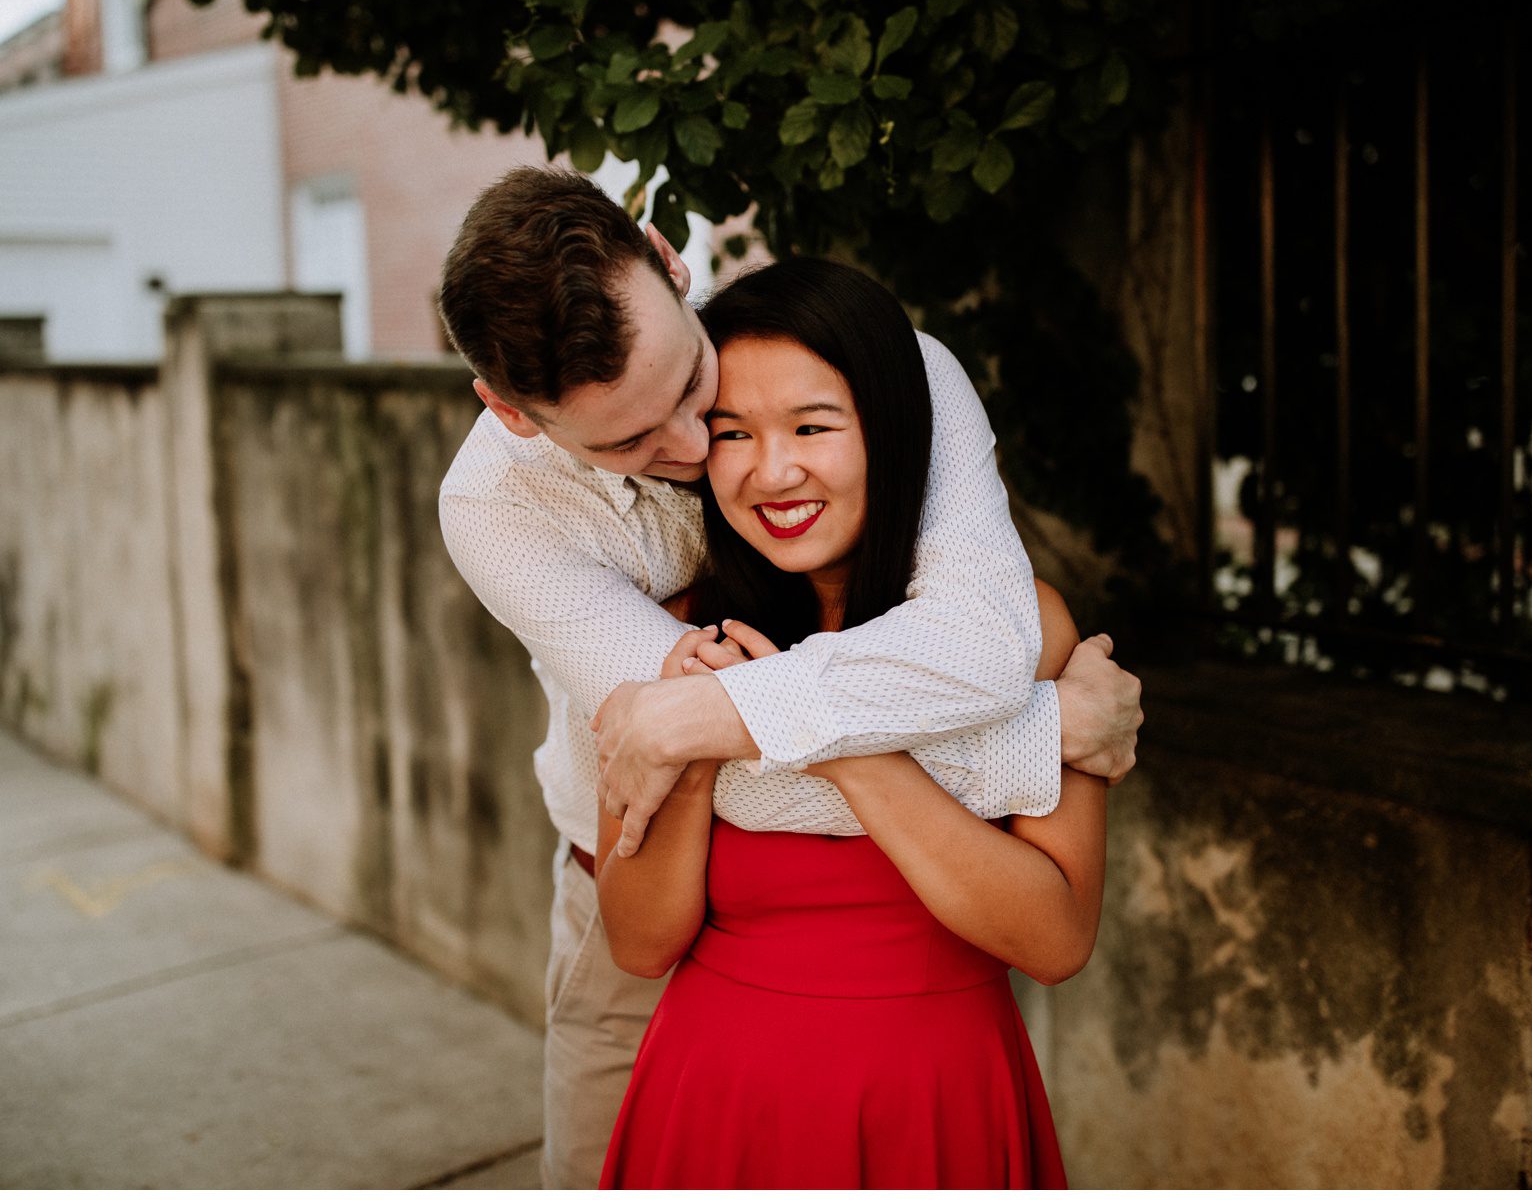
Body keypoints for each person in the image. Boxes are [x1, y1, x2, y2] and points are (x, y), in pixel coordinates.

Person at [435, 166, 1143, 1189]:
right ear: (512, 414)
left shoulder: (875, 364)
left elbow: (975, 647)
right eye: (632, 439)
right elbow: (708, 763)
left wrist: (707, 716)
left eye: (694, 389)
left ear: (668, 261)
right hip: (643, 883)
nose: (696, 447)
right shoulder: (495, 510)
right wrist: (1038, 738)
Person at [595, 258, 1104, 1187]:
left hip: (936, 1100)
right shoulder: (681, 637)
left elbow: (1056, 940)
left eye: (812, 426)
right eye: (732, 433)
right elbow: (639, 944)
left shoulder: (1012, 635)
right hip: (717, 1097)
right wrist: (698, 747)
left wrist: (804, 728)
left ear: (891, 432)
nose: (772, 470)